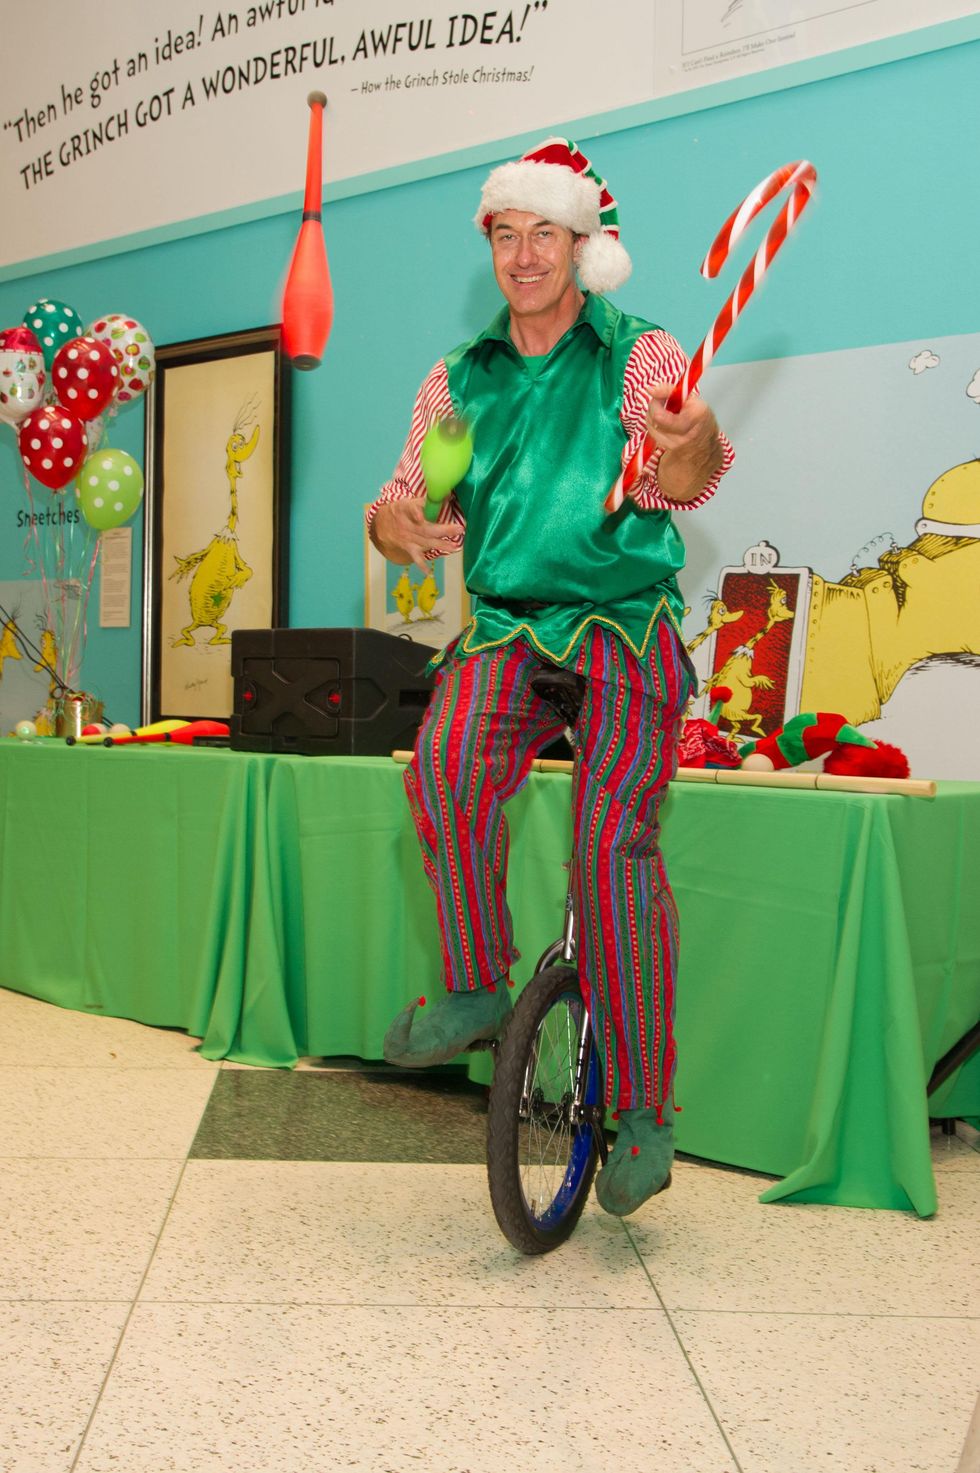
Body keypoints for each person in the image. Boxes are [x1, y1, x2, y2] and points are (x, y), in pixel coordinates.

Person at [366, 137, 734, 1216]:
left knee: (607, 848)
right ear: (491, 244)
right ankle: (479, 980)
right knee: (441, 769)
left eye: (545, 235)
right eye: (506, 235)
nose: (524, 256)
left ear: (582, 246)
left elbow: (680, 473)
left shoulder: (635, 353)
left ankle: (646, 1117)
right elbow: (413, 505)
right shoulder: (460, 381)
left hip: (623, 624)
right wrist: (396, 527)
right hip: (512, 630)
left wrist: (690, 439)